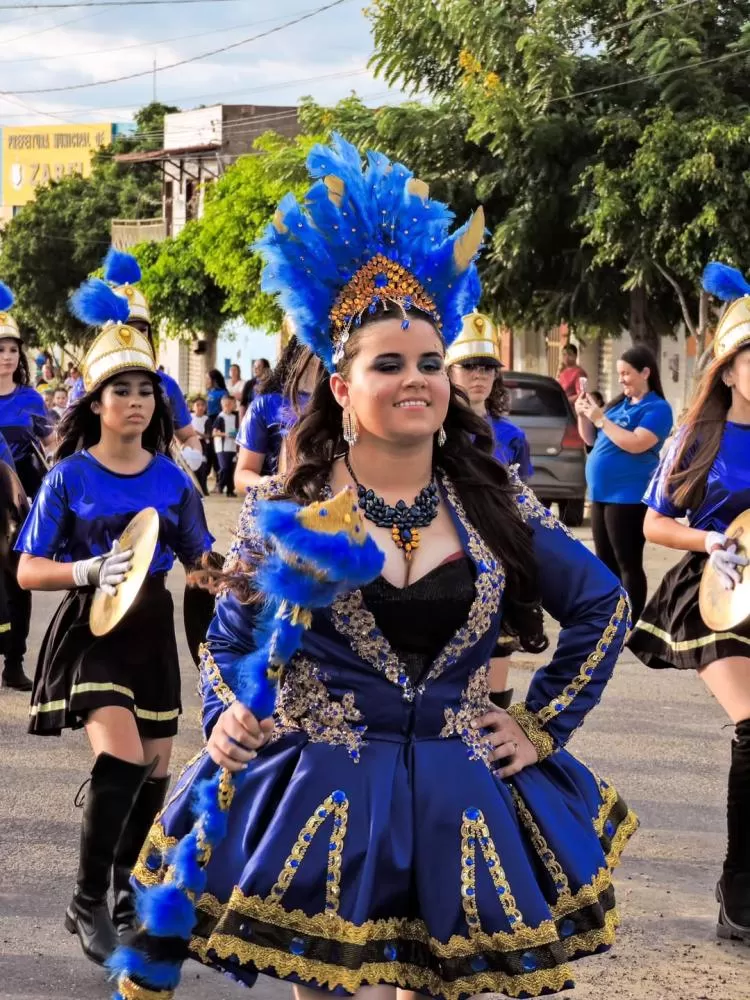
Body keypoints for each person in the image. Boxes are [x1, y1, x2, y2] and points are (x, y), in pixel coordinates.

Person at [116, 135, 635, 1000]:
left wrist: (540, 726)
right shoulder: (287, 505)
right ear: (340, 384)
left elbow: (605, 608)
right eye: (388, 364)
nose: (418, 380)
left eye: (430, 363)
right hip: (324, 801)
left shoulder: (494, 501)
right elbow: (230, 637)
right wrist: (226, 714)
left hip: (461, 801)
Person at [15, 276, 213, 968]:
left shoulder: (174, 479)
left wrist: (257, 565)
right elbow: (27, 569)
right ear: (94, 402)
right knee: (122, 756)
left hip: (154, 631)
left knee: (156, 773)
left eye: (146, 390)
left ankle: (126, 891)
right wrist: (87, 571)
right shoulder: (67, 477)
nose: (136, 402)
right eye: (121, 391)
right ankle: (86, 899)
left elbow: (202, 564)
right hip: (92, 628)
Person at [629, 261, 750, 943]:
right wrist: (707, 541)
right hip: (714, 591)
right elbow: (654, 523)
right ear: (729, 369)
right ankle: (740, 895)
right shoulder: (697, 434)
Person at [68, 250, 205, 474]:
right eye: (127, 328)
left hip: (157, 484)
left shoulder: (166, 385)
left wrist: (193, 452)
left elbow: (188, 435)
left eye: (142, 330)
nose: (135, 337)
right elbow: (69, 439)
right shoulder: (86, 386)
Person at [575, 346, 673, 623]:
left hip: (628, 496)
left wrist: (600, 419)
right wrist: (585, 415)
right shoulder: (618, 405)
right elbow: (592, 440)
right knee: (604, 562)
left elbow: (637, 443)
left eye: (626, 374)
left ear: (645, 373)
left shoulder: (658, 408)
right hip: (601, 494)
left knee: (627, 561)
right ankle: (610, 618)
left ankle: (630, 621)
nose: (621, 380)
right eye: (619, 374)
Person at [0, 282, 55, 691]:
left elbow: (52, 448)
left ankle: (14, 661)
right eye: (0, 349)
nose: (6, 357)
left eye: (13, 350)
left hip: (21, 505)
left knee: (19, 578)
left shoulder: (32, 400)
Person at [447, 311, 533, 481]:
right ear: (448, 371)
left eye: (487, 367)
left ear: (496, 375)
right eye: (469, 366)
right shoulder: (432, 432)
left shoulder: (513, 436)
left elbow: (522, 499)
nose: (479, 375)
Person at [234, 335, 317, 491]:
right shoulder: (265, 405)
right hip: (281, 505)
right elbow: (243, 474)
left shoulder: (346, 404)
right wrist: (272, 484)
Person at [212, 394, 239, 497]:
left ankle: (230, 490)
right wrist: (226, 434)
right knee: (225, 467)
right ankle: (219, 485)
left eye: (231, 404)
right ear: (222, 405)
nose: (228, 406)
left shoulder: (235, 417)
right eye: (226, 404)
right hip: (222, 447)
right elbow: (214, 433)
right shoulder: (220, 417)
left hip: (232, 447)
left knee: (231, 469)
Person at [190, 396, 210, 495]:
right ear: (193, 407)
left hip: (202, 444)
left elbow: (208, 435)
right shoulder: (189, 417)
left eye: (202, 405)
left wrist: (198, 433)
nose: (200, 407)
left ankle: (203, 488)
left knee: (202, 468)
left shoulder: (207, 419)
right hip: (190, 444)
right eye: (198, 405)